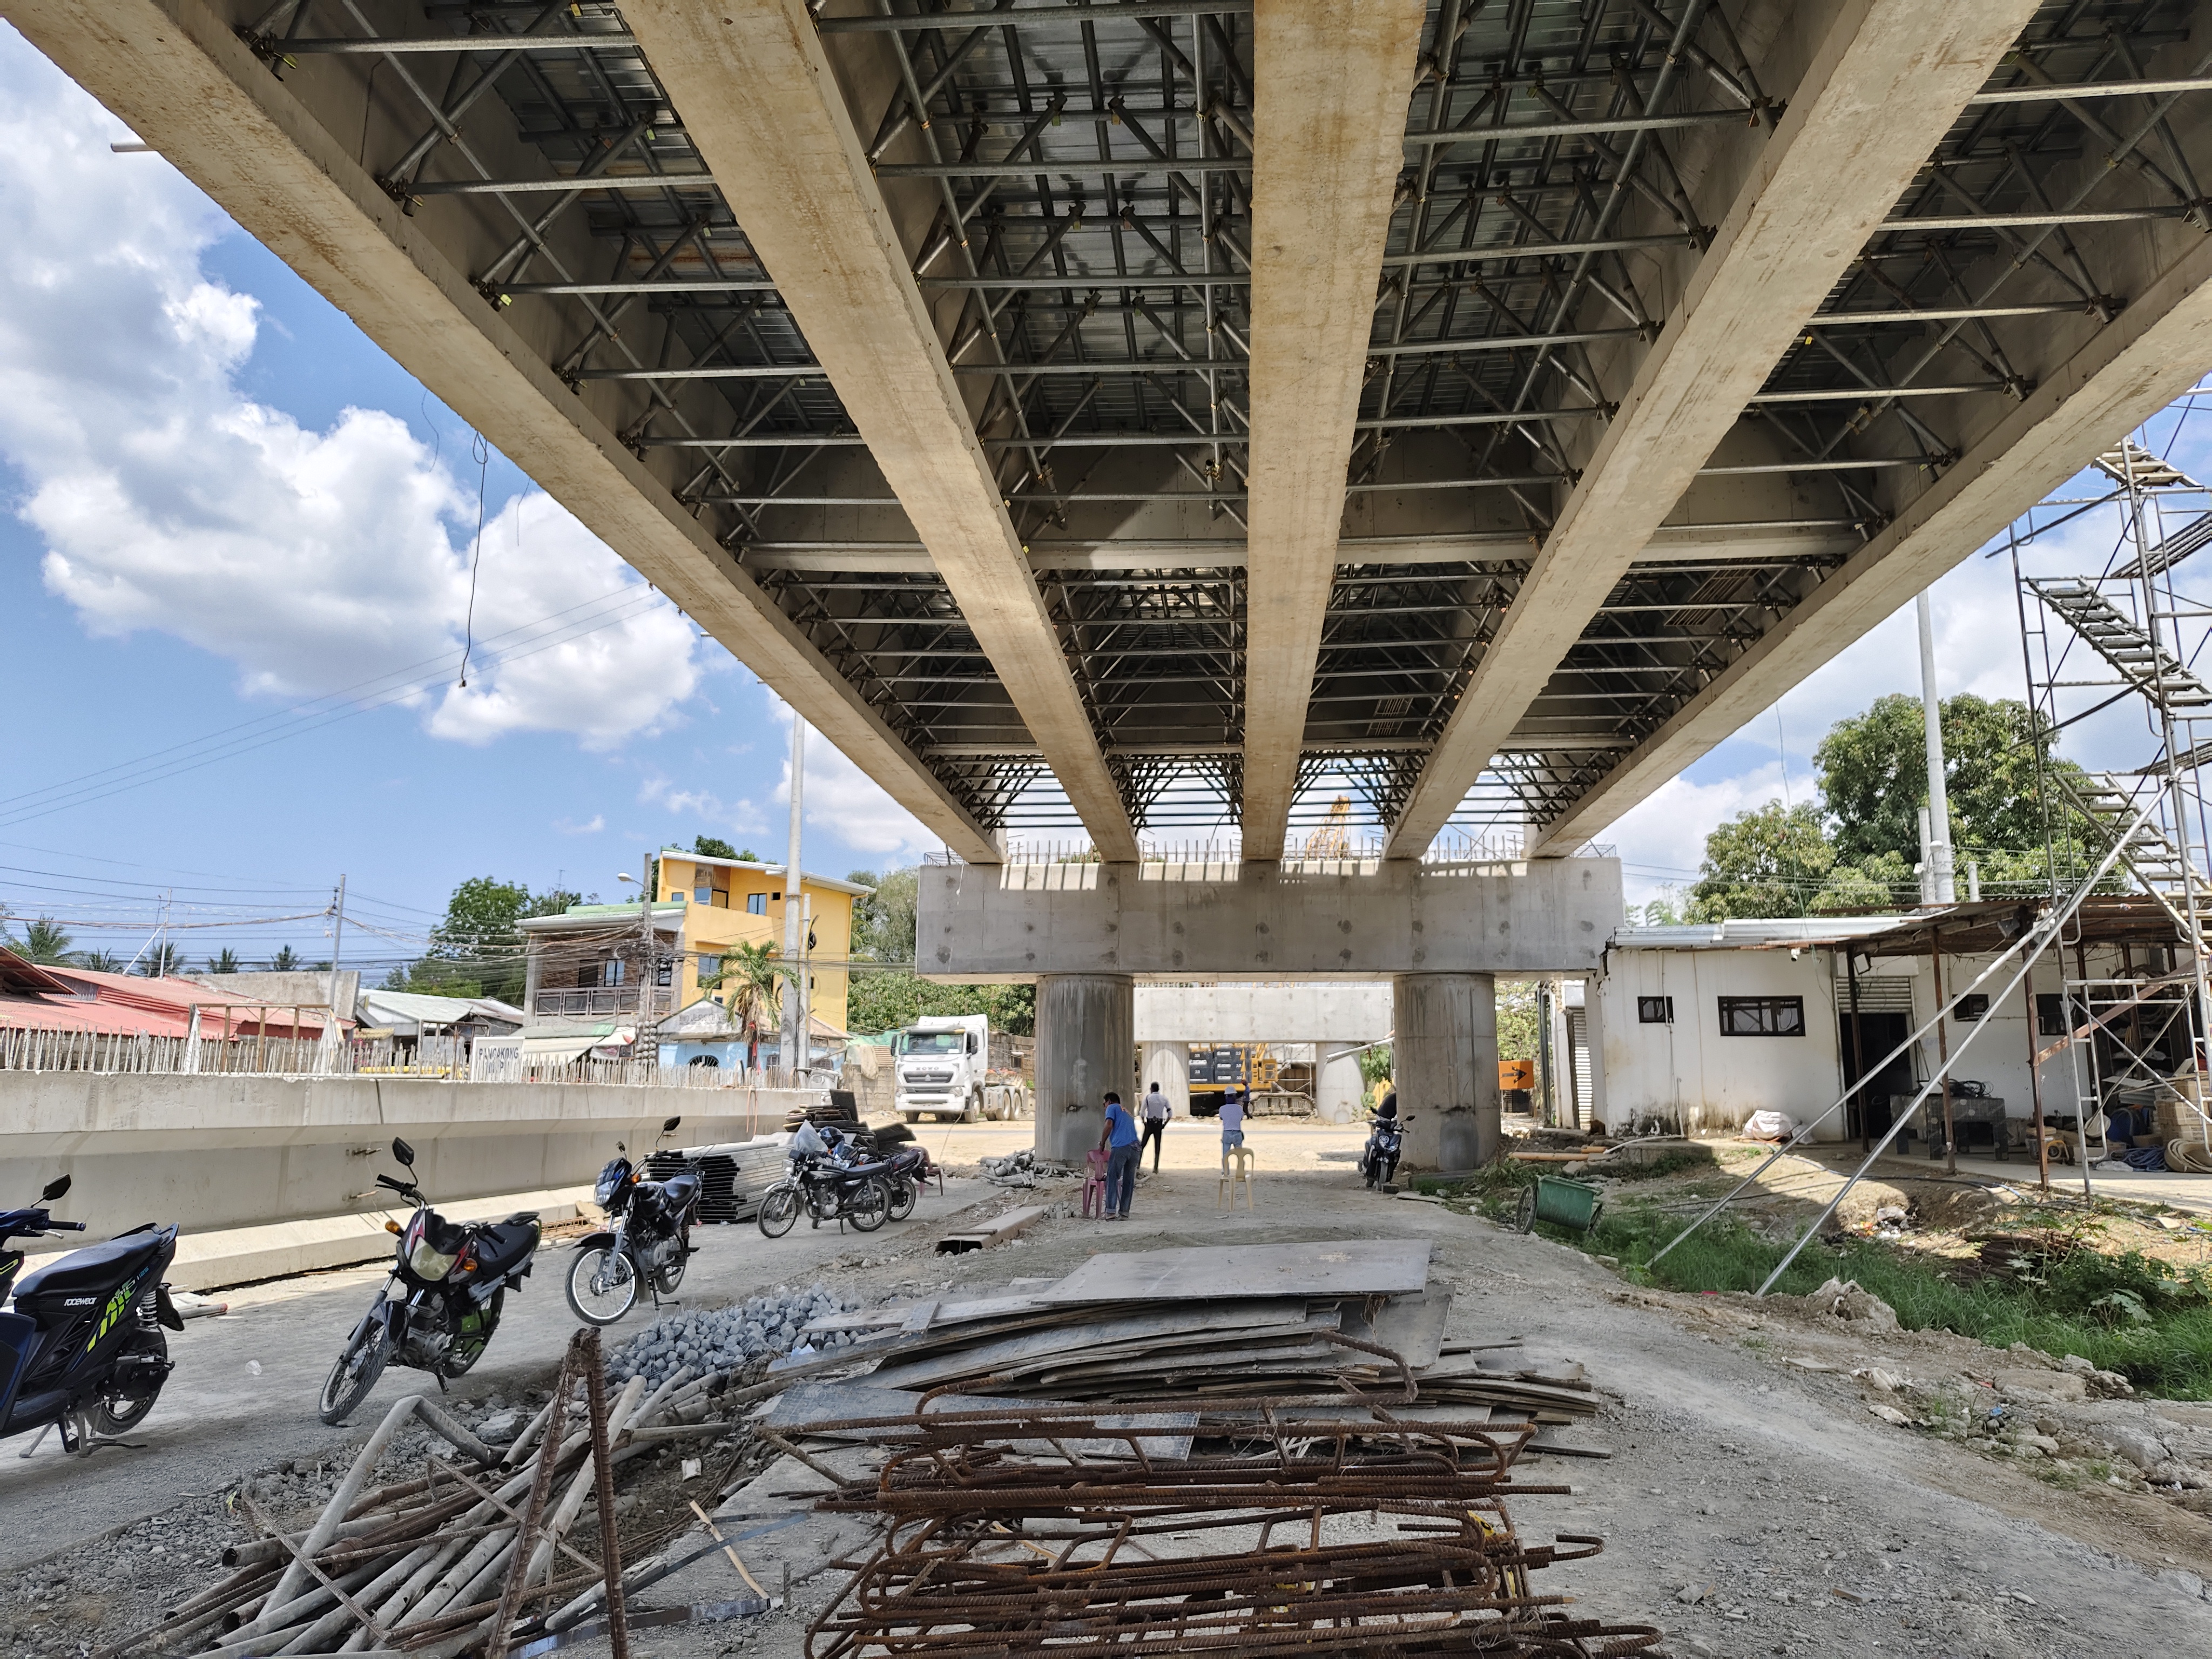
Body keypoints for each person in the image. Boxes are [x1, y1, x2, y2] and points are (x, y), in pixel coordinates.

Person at [1097, 1090, 1142, 1219]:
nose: (1104, 1107)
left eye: (1104, 1104)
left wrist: (1102, 1143)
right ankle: (1124, 1212)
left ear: (1109, 1101)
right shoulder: (1126, 1112)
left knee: (1112, 1177)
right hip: (1135, 1149)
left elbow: (1109, 1125)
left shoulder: (1112, 1107)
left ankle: (1110, 1212)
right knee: (1128, 1181)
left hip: (1121, 1147)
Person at [1139, 1080, 1172, 1171]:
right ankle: (1156, 1167)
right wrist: (1164, 1124)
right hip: (1159, 1124)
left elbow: (1142, 1112)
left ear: (1151, 1089)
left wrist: (1143, 1122)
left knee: (1143, 1144)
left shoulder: (1148, 1098)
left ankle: (1138, 1164)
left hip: (1150, 1123)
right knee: (1157, 1145)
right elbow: (1170, 1113)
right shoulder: (1164, 1099)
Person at [1219, 1085, 1247, 1158]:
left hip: (1227, 1133)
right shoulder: (1239, 1108)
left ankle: (1225, 1170)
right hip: (1237, 1133)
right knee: (1240, 1156)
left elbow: (1222, 1118)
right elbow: (1241, 1118)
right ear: (1235, 1097)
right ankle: (1240, 1169)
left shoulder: (1222, 1109)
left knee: (1225, 1156)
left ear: (1226, 1097)